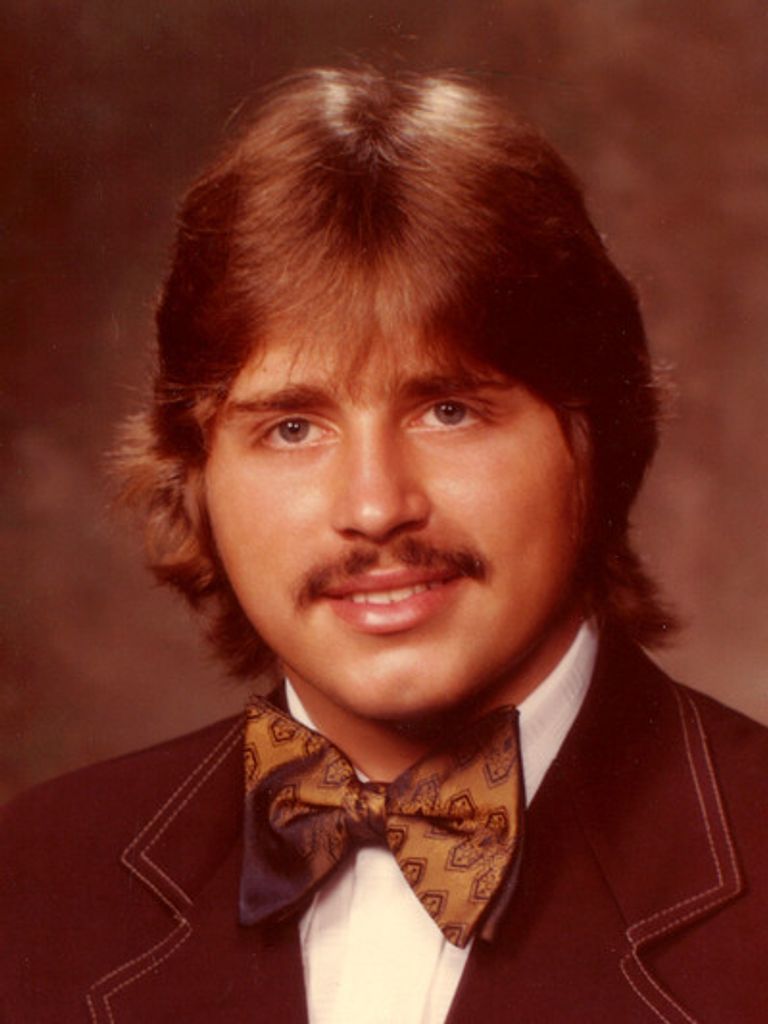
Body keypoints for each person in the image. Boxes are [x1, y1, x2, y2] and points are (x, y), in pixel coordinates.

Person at [1, 65, 766, 1023]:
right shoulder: (33, 882)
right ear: (194, 472)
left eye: (449, 410)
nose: (373, 507)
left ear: (596, 436)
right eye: (292, 427)